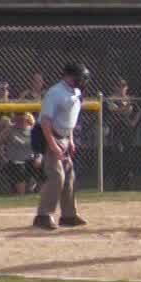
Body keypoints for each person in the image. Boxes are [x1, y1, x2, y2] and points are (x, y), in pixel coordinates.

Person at [32, 63, 89, 231]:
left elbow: (68, 118)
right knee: (57, 176)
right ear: (69, 76)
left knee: (69, 175)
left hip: (64, 137)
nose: (83, 81)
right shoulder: (55, 93)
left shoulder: (76, 92)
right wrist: (53, 146)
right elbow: (46, 122)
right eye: (80, 77)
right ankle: (43, 216)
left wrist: (70, 139)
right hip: (49, 136)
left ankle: (68, 215)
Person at [103, 77, 141, 190]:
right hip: (116, 129)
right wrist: (128, 104)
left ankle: (128, 182)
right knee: (118, 155)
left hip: (128, 129)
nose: (122, 89)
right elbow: (117, 111)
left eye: (124, 86)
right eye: (119, 86)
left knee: (128, 154)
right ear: (115, 87)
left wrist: (133, 122)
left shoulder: (128, 99)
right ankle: (117, 182)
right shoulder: (111, 99)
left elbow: (138, 111)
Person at [0, 112, 42, 195]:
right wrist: (6, 130)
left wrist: (39, 158)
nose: (20, 120)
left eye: (22, 118)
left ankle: (39, 194)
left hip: (30, 160)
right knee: (19, 168)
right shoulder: (10, 130)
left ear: (27, 118)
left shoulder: (33, 130)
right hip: (14, 161)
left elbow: (39, 148)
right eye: (18, 118)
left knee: (43, 166)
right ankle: (21, 195)